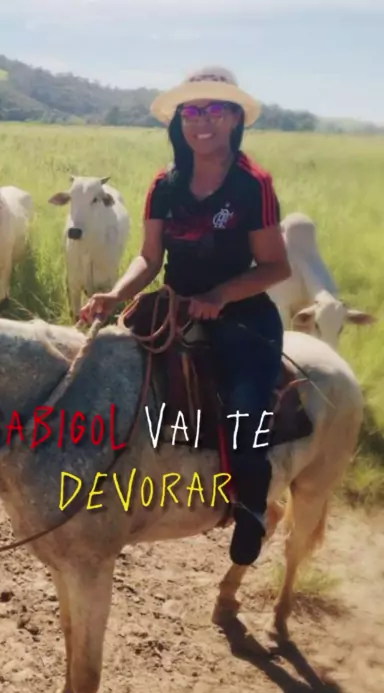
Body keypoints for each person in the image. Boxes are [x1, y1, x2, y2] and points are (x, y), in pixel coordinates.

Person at [79, 66, 292, 567]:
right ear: (179, 121)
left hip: (243, 317)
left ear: (235, 118)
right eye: (192, 111)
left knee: (244, 413)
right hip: (172, 307)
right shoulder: (165, 184)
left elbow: (275, 266)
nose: (202, 120)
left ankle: (251, 508)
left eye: (215, 109)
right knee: (103, 374)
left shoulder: (253, 184)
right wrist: (115, 294)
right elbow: (149, 257)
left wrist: (221, 294)